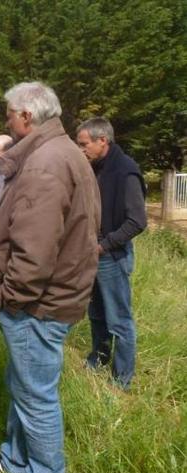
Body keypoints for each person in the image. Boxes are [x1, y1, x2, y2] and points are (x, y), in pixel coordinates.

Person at [0, 82, 100, 473]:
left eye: (9, 113)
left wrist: (15, 300)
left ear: (26, 116)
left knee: (36, 395)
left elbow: (35, 248)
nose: (6, 120)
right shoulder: (60, 152)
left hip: (39, 304)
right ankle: (14, 459)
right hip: (48, 298)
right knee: (22, 386)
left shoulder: (46, 162)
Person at [76, 117, 146, 390]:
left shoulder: (125, 171)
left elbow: (137, 221)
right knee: (96, 314)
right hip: (93, 255)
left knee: (119, 320)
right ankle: (99, 360)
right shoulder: (95, 168)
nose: (80, 149)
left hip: (111, 257)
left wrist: (103, 245)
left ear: (102, 140)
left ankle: (121, 380)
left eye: (84, 144)